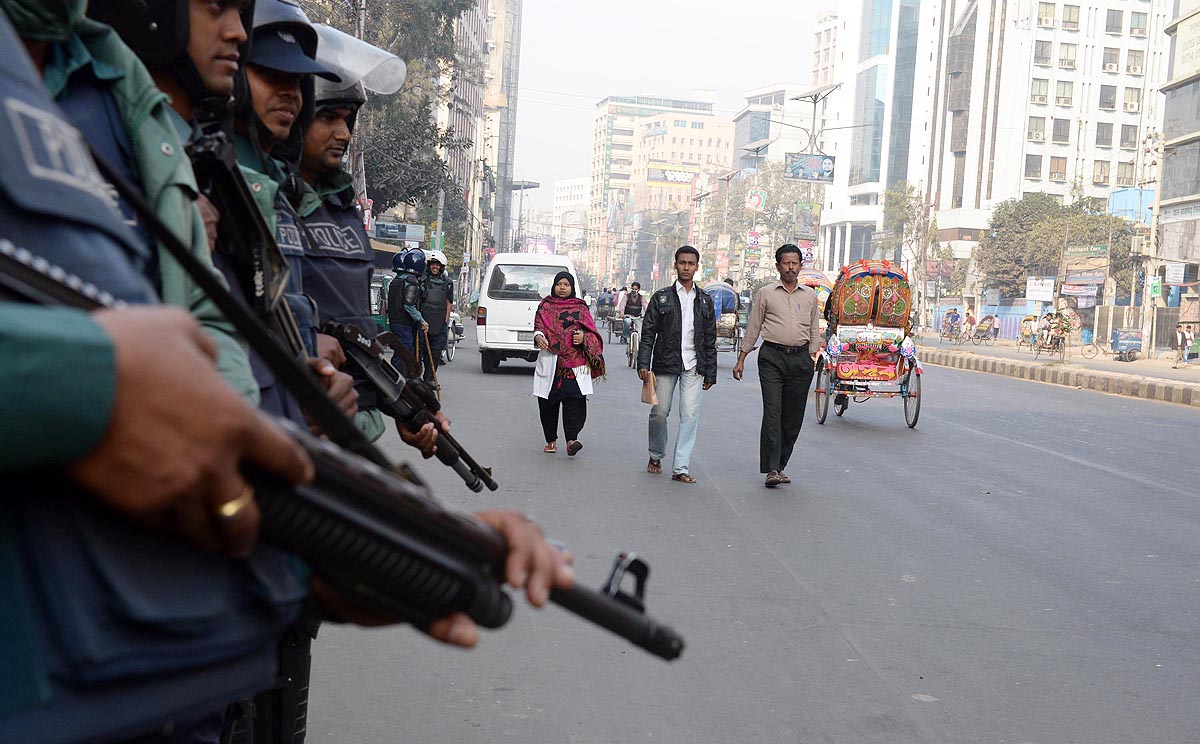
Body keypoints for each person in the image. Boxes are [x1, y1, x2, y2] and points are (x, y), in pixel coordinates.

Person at [0, 12, 573, 742]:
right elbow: (140, 396)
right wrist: (90, 383)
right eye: (213, 7)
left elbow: (224, 405)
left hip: (168, 646)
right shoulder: (92, 99)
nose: (232, 32)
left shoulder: (130, 103)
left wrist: (380, 541)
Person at [297, 72, 387, 440]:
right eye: (327, 117)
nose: (344, 134)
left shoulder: (345, 207)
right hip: (301, 415)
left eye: (346, 120)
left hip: (357, 419)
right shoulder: (265, 198)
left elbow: (358, 317)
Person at [733, 245, 821, 487]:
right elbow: (754, 327)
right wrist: (741, 358)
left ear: (800, 266)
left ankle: (781, 464)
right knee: (773, 413)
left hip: (801, 360)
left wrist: (812, 356)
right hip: (772, 357)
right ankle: (771, 468)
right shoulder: (766, 293)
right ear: (778, 266)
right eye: (786, 263)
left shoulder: (810, 296)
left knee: (793, 417)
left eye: (795, 263)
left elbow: (815, 329)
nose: (790, 267)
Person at [637, 246, 717, 484]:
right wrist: (643, 362)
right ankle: (656, 455)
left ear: (696, 267)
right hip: (665, 363)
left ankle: (681, 467)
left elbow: (710, 338)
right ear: (675, 265)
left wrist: (711, 371)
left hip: (694, 365)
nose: (686, 267)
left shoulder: (704, 300)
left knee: (690, 414)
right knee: (660, 412)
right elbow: (648, 332)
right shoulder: (661, 297)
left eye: (691, 264)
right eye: (682, 263)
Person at [533, 272, 605, 456]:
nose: (562, 287)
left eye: (566, 284)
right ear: (554, 286)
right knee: (548, 404)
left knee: (575, 402)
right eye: (559, 284)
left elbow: (593, 334)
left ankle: (572, 440)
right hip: (551, 362)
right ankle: (551, 440)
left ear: (572, 288)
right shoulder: (545, 306)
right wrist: (538, 336)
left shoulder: (580, 308)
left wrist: (584, 338)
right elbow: (538, 328)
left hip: (576, 363)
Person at [388, 248, 427, 375]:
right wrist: (422, 320)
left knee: (400, 350)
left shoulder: (396, 280)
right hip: (404, 323)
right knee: (403, 351)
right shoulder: (411, 282)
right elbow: (409, 305)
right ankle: (397, 378)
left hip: (395, 321)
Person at [420, 249, 454, 385]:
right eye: (432, 264)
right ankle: (424, 378)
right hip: (424, 323)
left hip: (440, 323)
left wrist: (445, 322)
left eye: (437, 264)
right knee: (424, 353)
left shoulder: (448, 282)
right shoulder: (422, 280)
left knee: (435, 352)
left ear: (441, 266)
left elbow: (448, 303)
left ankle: (429, 378)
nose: (434, 266)